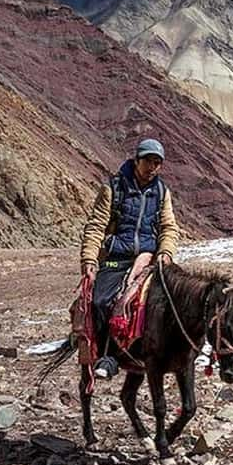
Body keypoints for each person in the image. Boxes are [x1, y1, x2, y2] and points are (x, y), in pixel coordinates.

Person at [78, 138, 179, 378]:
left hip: (147, 257)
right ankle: (107, 355)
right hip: (116, 258)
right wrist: (90, 260)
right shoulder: (113, 189)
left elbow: (168, 227)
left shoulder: (162, 193)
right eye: (148, 161)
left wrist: (165, 252)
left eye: (157, 163)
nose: (153, 167)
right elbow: (95, 227)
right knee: (101, 301)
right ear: (137, 160)